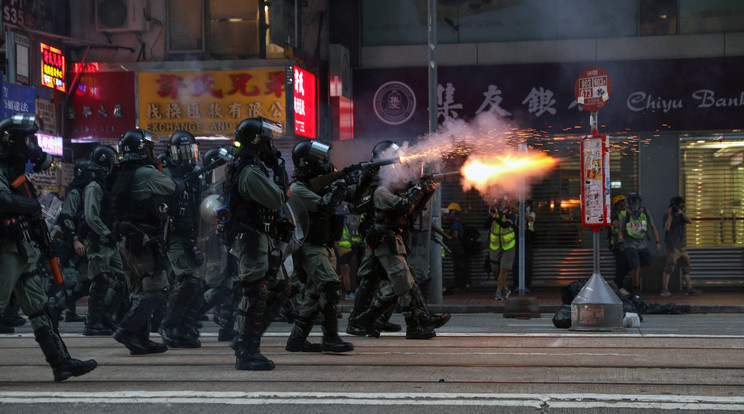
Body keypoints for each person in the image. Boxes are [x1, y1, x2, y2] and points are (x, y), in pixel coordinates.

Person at [0, 113, 97, 381]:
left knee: (40, 309)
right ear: (12, 141)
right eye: (27, 140)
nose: (32, 146)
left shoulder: (17, 174)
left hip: (19, 250)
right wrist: (30, 206)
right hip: (4, 252)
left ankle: (61, 362)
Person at [349, 145, 450, 340]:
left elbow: (411, 207)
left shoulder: (393, 183)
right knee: (375, 280)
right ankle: (359, 320)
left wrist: (425, 189)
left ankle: (394, 319)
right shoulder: (376, 185)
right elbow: (357, 206)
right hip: (380, 238)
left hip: (394, 236)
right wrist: (365, 180)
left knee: (403, 280)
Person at [285, 139, 376, 353]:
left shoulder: (321, 183)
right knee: (330, 286)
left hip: (325, 245)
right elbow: (325, 206)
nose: (324, 162)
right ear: (305, 163)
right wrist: (342, 182)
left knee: (314, 295)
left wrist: (366, 178)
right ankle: (331, 338)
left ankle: (297, 340)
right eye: (318, 158)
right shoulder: (298, 188)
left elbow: (353, 200)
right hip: (310, 247)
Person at [219, 117, 288, 370]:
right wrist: (280, 170)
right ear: (258, 142)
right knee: (254, 291)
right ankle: (247, 352)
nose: (272, 144)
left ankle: (244, 339)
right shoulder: (250, 171)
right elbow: (277, 198)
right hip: (251, 239)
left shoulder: (247, 167)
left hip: (259, 237)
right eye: (268, 139)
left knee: (279, 288)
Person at [110, 128, 182, 355]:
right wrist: (181, 181)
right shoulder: (146, 173)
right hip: (142, 240)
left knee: (139, 292)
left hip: (124, 239)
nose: (152, 151)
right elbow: (172, 187)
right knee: (157, 289)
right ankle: (127, 330)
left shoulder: (120, 172)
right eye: (150, 147)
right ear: (142, 148)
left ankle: (140, 341)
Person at [159, 131, 206, 349]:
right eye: (182, 151)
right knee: (188, 280)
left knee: (197, 283)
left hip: (193, 235)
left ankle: (185, 330)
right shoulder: (163, 173)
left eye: (191, 151)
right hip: (173, 235)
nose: (188, 156)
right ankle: (169, 327)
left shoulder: (198, 173)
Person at [80, 145, 125, 336]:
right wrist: (106, 233)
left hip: (109, 242)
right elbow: (91, 217)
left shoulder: (104, 184)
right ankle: (92, 322)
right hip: (99, 242)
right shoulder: (93, 186)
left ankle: (106, 317)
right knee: (101, 280)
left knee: (121, 279)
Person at [48, 160, 90, 323]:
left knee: (79, 280)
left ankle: (67, 311)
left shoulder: (87, 192)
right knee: (70, 279)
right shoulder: (76, 194)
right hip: (69, 245)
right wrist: (74, 240)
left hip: (80, 243)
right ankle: (55, 309)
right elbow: (66, 218)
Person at [618, 192, 661, 296]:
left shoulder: (645, 212)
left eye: (636, 203)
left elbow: (652, 226)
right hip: (630, 243)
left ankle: (632, 280)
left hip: (642, 242)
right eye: (632, 204)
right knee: (635, 266)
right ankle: (635, 288)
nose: (634, 206)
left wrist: (657, 241)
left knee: (647, 264)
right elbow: (621, 230)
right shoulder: (625, 214)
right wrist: (621, 243)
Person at [660, 196, 702, 297]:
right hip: (672, 247)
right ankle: (664, 289)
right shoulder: (667, 216)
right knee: (669, 267)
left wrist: (682, 213)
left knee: (686, 267)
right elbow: (666, 228)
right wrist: (670, 215)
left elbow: (690, 221)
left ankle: (689, 289)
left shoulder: (681, 217)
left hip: (682, 247)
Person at [486, 196, 517, 300]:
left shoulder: (511, 215)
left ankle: (498, 292)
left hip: (508, 246)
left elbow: (505, 225)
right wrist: (491, 216)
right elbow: (485, 226)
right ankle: (505, 288)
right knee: (495, 270)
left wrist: (496, 218)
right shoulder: (494, 214)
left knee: (503, 270)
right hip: (495, 246)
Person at [444, 202, 471, 292]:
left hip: (458, 249)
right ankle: (465, 284)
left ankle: (460, 285)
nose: (449, 215)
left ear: (454, 212)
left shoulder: (456, 223)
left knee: (458, 267)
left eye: (451, 212)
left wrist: (448, 237)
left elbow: (455, 235)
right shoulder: (460, 221)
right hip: (462, 248)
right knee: (463, 266)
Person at [608, 195, 630, 291]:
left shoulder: (628, 213)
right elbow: (616, 224)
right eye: (621, 204)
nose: (623, 205)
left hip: (629, 242)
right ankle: (620, 285)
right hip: (617, 244)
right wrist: (623, 214)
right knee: (621, 264)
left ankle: (617, 281)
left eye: (624, 203)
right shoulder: (614, 214)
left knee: (631, 263)